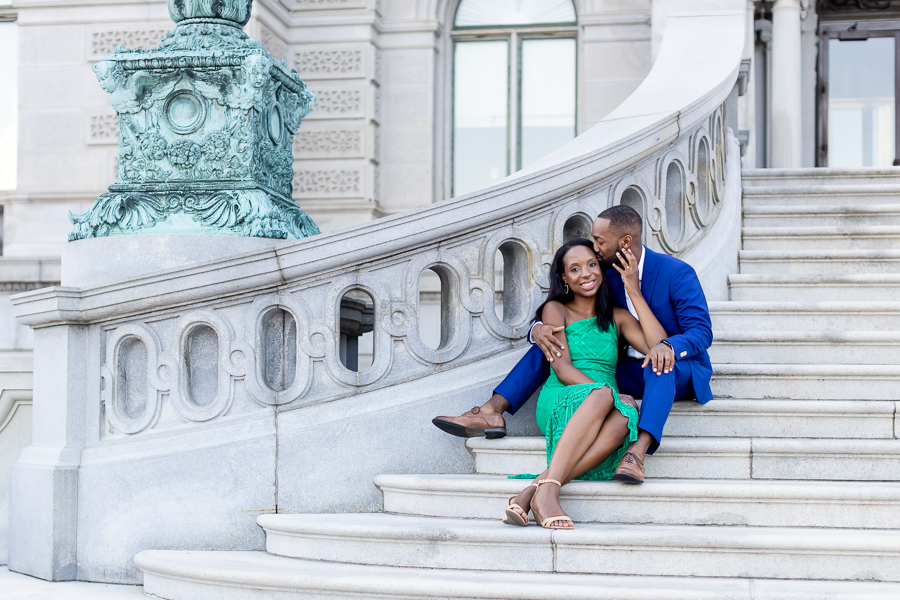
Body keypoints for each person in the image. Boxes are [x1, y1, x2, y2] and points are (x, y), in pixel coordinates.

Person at [433, 205, 713, 484]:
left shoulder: (677, 273)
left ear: (625, 241)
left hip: (679, 367)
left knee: (658, 363)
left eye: (599, 241)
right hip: (628, 367)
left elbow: (701, 332)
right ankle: (492, 410)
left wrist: (666, 342)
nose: (594, 249)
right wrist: (537, 329)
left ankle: (637, 451)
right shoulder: (607, 269)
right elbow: (576, 311)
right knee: (550, 344)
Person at [498, 238, 669, 529]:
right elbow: (562, 369)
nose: (586, 273)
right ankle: (547, 493)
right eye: (574, 269)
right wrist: (608, 394)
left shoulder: (617, 317)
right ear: (564, 278)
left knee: (625, 417)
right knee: (608, 399)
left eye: (591, 265)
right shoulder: (555, 309)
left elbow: (659, 345)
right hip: (563, 395)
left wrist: (634, 291)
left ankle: (535, 490)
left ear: (601, 270)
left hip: (603, 403)